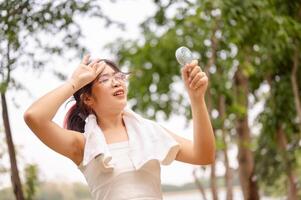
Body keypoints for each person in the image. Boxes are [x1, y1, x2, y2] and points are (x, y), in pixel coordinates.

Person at [24, 54, 215, 200]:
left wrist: (197, 100)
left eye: (118, 76)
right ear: (88, 98)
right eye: (104, 79)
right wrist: (75, 83)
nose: (116, 82)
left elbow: (204, 155)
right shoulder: (84, 145)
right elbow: (35, 117)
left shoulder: (151, 133)